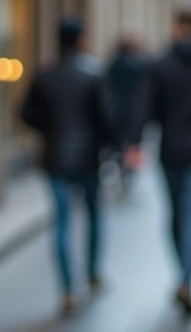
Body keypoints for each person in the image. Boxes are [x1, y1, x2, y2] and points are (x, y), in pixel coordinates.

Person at [127, 10, 191, 317]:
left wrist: (133, 142)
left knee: (175, 216)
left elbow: (144, 106)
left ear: (176, 28)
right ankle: (188, 279)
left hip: (170, 151)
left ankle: (182, 277)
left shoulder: (159, 65)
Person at [21, 17, 120, 316]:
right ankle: (92, 275)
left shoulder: (45, 75)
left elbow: (26, 113)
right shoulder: (93, 73)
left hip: (55, 159)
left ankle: (66, 289)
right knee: (93, 217)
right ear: (81, 39)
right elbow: (108, 118)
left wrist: (49, 131)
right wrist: (109, 146)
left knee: (62, 222)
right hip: (88, 158)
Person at [105, 32, 146, 196]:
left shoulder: (113, 65)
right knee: (131, 145)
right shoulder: (138, 66)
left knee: (118, 146)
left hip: (116, 112)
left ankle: (122, 171)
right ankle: (127, 174)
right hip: (133, 113)